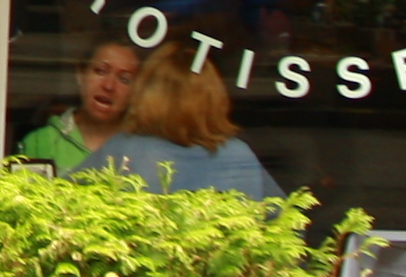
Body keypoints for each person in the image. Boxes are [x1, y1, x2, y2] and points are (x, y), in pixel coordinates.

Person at [95, 52, 281, 201]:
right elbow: (289, 227)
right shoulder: (239, 155)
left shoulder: (124, 150)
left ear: (147, 93)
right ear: (214, 97)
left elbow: (69, 203)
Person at [14, 35, 144, 172]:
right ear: (81, 74)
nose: (109, 86)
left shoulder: (144, 149)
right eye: (100, 71)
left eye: (124, 79)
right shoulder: (40, 143)